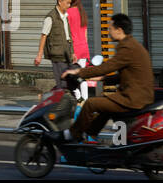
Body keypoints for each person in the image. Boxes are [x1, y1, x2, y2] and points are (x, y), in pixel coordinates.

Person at [63, 13, 154, 142]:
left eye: (110, 28)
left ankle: (72, 135)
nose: (108, 31)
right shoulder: (133, 45)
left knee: (90, 104)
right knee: (105, 107)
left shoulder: (127, 48)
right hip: (139, 96)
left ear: (119, 30)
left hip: (133, 99)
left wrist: (79, 72)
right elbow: (126, 76)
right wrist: (100, 79)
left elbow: (106, 67)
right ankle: (91, 137)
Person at [35, 0, 75, 88]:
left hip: (67, 54)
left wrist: (73, 52)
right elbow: (44, 35)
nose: (69, 5)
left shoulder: (65, 16)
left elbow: (68, 35)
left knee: (68, 82)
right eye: (67, 3)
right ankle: (60, 100)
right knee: (62, 82)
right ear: (60, 2)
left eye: (70, 3)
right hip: (57, 55)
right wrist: (39, 55)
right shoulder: (50, 17)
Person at [65, 0, 92, 99]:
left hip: (74, 49)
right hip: (83, 48)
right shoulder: (82, 12)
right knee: (81, 76)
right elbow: (85, 34)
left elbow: (67, 34)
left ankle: (79, 99)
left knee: (71, 77)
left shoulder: (67, 13)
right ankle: (85, 100)